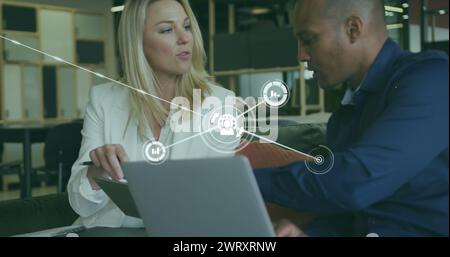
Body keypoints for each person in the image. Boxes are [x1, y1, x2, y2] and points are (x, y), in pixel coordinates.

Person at [255, 0, 449, 237]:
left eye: (309, 39)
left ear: (353, 29)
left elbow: (358, 180)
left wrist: (246, 182)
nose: (301, 55)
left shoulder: (432, 79)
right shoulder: (344, 116)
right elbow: (352, 215)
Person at [67, 0, 236, 228]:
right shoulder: (103, 100)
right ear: (138, 42)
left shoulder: (222, 103)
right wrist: (99, 171)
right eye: (167, 30)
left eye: (186, 27)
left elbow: (219, 198)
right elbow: (80, 204)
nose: (185, 38)